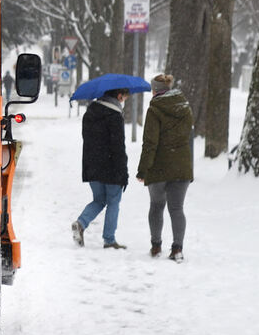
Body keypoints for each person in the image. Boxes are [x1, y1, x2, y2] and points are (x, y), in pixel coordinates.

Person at [135, 74, 194, 261]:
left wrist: (143, 169)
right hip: (182, 166)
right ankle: (177, 249)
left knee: (156, 206)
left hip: (159, 166)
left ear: (154, 90)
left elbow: (150, 143)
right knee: (177, 209)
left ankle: (156, 246)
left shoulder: (154, 110)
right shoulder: (185, 108)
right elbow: (188, 135)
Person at [72, 87, 129, 249]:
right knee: (113, 202)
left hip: (92, 165)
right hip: (111, 167)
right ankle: (109, 240)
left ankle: (81, 223)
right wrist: (123, 173)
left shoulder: (90, 114)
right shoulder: (115, 116)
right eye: (125, 97)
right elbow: (118, 147)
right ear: (119, 96)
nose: (124, 100)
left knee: (99, 200)